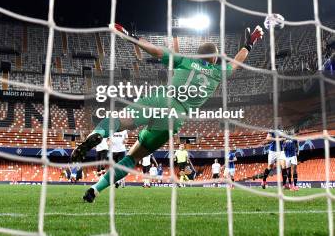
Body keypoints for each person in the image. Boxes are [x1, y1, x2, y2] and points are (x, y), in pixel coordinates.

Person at [73, 23, 264, 202]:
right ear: (214, 59)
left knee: (117, 120)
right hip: (175, 117)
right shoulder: (217, 73)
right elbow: (236, 63)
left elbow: (156, 51)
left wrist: (131, 37)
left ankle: (97, 134)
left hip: (160, 99)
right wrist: (249, 43)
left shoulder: (185, 60)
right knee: (132, 158)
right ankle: (95, 189)